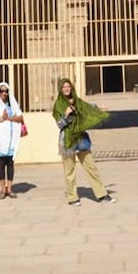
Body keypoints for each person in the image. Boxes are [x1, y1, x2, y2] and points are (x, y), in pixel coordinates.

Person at [52, 78, 116, 206]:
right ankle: (72, 197)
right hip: (67, 140)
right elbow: (60, 124)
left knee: (91, 167)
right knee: (69, 171)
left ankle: (102, 194)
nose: (66, 89)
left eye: (68, 86)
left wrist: (99, 108)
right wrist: (66, 114)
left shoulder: (77, 101)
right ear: (60, 89)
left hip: (80, 139)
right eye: (64, 87)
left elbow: (87, 108)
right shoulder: (58, 104)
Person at [0, 81, 23, 199]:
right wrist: (1, 119)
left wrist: (10, 118)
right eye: (1, 91)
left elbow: (21, 117)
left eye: (6, 91)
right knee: (1, 164)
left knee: (10, 164)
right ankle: (3, 189)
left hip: (11, 139)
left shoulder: (12, 104)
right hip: (0, 140)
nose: (4, 93)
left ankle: (10, 188)